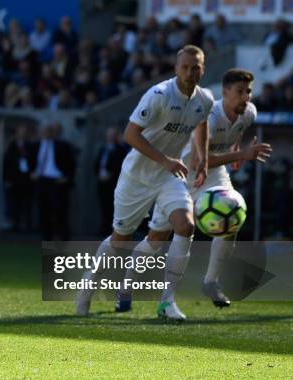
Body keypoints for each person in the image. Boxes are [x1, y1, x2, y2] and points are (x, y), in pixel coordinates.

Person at [75, 45, 213, 321]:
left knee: (184, 226)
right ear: (176, 68)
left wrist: (204, 158)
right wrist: (165, 160)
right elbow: (130, 134)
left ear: (202, 69)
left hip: (169, 176)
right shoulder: (159, 95)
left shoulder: (205, 99)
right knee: (120, 240)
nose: (189, 72)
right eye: (184, 66)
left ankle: (167, 302)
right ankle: (88, 285)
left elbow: (202, 123)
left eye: (195, 67)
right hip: (137, 176)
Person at [150, 69, 270, 307]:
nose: (246, 96)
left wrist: (235, 151)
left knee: (231, 217)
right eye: (240, 92)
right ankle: (128, 282)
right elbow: (196, 162)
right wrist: (242, 154)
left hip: (214, 176)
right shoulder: (210, 116)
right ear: (224, 93)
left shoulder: (249, 113)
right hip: (182, 175)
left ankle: (210, 282)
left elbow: (234, 133)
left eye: (249, 91)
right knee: (156, 239)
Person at [30, 122, 76, 241]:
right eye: (44, 131)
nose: (46, 133)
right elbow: (30, 161)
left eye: (48, 131)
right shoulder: (35, 145)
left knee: (60, 210)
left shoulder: (62, 145)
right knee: (43, 209)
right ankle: (46, 237)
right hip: (41, 180)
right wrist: (32, 173)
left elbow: (71, 163)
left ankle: (63, 237)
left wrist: (67, 177)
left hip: (56, 181)